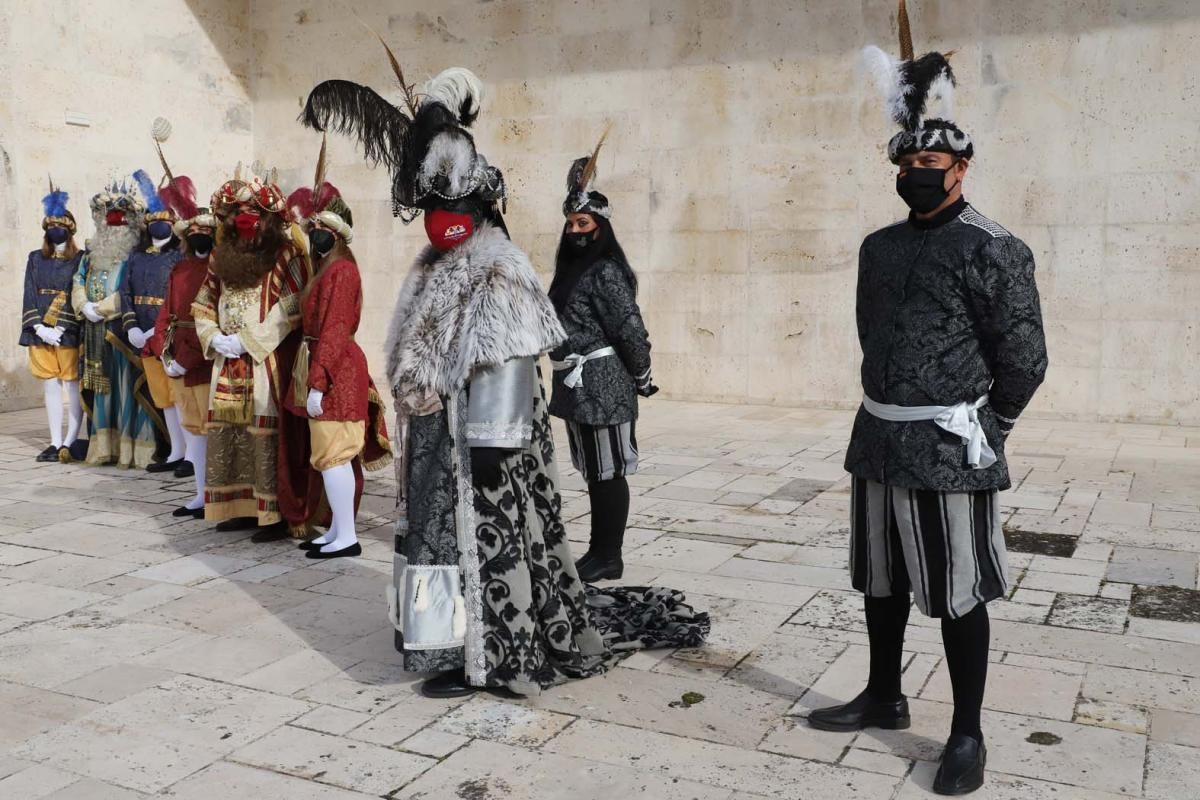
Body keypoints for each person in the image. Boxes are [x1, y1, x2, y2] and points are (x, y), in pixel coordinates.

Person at [305, 53, 708, 699]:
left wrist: (492, 441)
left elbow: (508, 354)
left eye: (452, 201)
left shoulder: (501, 264)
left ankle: (485, 654)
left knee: (478, 547)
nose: (441, 214)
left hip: (485, 445)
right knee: (431, 544)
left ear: (481, 203)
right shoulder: (432, 265)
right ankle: (437, 648)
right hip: (435, 437)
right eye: (433, 203)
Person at [807, 4, 1049, 796]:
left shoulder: (995, 248)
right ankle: (883, 693)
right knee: (880, 580)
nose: (917, 173)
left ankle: (967, 733)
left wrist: (992, 426)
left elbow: (1025, 357)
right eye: (906, 163)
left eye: (932, 165)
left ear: (962, 168)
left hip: (950, 449)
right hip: (876, 438)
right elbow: (868, 330)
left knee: (956, 592)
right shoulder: (879, 246)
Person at [548, 139, 657, 582]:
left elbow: (630, 328)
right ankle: (600, 551)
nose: (576, 230)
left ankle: (607, 554)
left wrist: (643, 374)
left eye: (584, 222)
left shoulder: (607, 271)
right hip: (579, 387)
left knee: (608, 472)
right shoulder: (572, 271)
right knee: (594, 470)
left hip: (606, 384)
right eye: (571, 223)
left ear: (600, 226)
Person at [281, 146, 392, 558]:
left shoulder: (342, 271)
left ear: (337, 233)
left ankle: (347, 535)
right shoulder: (326, 269)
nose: (314, 234)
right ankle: (337, 530)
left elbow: (335, 330)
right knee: (327, 455)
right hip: (326, 367)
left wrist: (318, 380)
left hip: (337, 373)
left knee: (335, 454)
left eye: (321, 228)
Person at [192, 166, 311, 540]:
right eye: (236, 217)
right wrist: (213, 336)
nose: (245, 223)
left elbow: (293, 303)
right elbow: (204, 301)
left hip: (265, 361)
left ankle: (271, 513)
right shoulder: (220, 256)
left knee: (265, 433)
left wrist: (252, 340)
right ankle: (237, 506)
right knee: (231, 432)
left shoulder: (287, 253)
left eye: (254, 217)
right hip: (227, 360)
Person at [72, 178, 160, 467]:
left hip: (122, 332)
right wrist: (84, 305)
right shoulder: (89, 255)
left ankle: (134, 452)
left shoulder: (136, 256)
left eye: (120, 224)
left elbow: (132, 290)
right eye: (109, 224)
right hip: (93, 331)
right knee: (101, 391)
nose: (113, 229)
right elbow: (77, 281)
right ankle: (103, 449)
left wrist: (104, 308)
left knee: (126, 389)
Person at [148, 192, 218, 518]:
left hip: (204, 360)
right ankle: (200, 495)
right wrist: (165, 353)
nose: (199, 238)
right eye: (194, 234)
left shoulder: (219, 272)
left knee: (210, 430)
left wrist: (187, 358)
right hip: (177, 360)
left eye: (205, 233)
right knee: (193, 432)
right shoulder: (179, 271)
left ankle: (218, 497)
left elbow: (213, 319)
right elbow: (166, 313)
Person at [123, 169, 184, 472]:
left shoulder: (180, 255)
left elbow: (179, 297)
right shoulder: (136, 256)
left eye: (165, 219)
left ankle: (188, 452)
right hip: (141, 333)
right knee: (162, 394)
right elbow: (126, 292)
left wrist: (154, 329)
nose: (160, 224)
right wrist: (133, 326)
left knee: (179, 393)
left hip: (168, 332)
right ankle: (174, 450)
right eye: (155, 219)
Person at [20, 179, 85, 462]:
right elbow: (29, 291)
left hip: (67, 329)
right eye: (50, 228)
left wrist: (62, 325)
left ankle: (70, 440)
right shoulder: (35, 258)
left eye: (59, 227)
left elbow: (77, 291)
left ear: (69, 231)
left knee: (71, 384)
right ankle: (54, 440)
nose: (54, 231)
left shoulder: (81, 258)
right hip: (41, 331)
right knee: (49, 384)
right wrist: (38, 327)